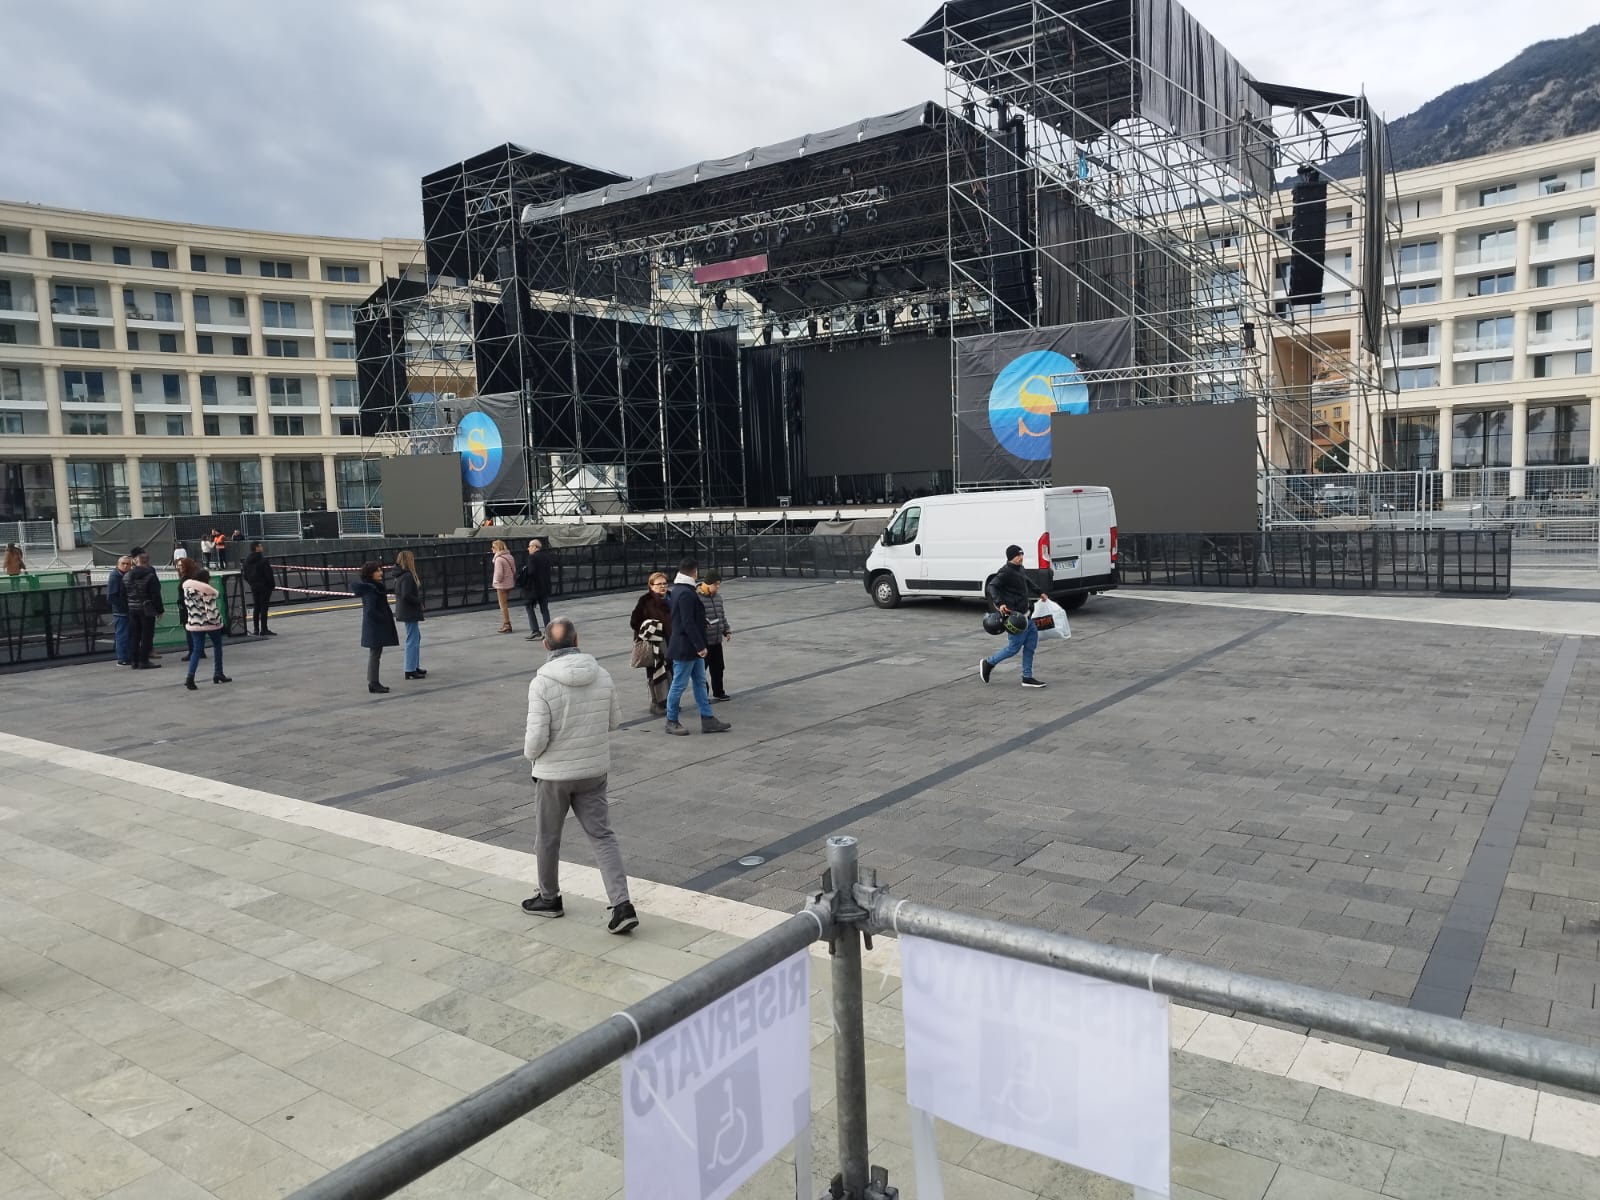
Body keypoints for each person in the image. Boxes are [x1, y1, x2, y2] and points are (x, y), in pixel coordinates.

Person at [519, 617, 638, 934]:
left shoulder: (542, 682)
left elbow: (535, 739)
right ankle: (622, 903)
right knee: (602, 837)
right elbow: (614, 722)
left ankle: (549, 898)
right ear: (577, 639)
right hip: (593, 771)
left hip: (553, 775)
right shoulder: (602, 675)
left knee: (547, 838)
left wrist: (532, 758)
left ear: (546, 645)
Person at [663, 558, 731, 736]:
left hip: (691, 647)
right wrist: (700, 645)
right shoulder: (685, 592)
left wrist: (703, 621)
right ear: (694, 572)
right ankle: (671, 720)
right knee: (679, 684)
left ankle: (707, 719)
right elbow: (686, 622)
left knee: (700, 682)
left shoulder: (682, 589)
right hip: (686, 647)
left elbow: (690, 617)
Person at [979, 543, 1051, 689]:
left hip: (1026, 615)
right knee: (1013, 648)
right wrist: (1000, 603)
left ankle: (1027, 677)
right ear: (1012, 557)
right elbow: (992, 586)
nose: (1021, 557)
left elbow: (1027, 582)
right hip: (1014, 618)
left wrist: (1039, 592)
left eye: (1022, 554)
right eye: (1018, 555)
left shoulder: (1020, 569)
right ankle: (988, 663)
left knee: (1030, 646)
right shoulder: (1005, 572)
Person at [178, 558, 230, 690]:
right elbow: (211, 611)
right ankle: (218, 673)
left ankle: (190, 676)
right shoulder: (207, 592)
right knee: (217, 646)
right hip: (209, 624)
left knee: (196, 650)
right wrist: (219, 622)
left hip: (194, 623)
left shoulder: (187, 589)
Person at [628, 571, 672, 716]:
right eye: (659, 584)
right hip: (653, 645)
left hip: (670, 641)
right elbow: (635, 622)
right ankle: (656, 703)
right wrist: (650, 628)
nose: (663, 586)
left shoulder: (671, 597)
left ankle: (667, 701)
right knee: (654, 673)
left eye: (664, 583)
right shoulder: (645, 601)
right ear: (651, 586)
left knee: (670, 672)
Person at [351, 561, 399, 693]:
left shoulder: (372, 587)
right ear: (371, 573)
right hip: (375, 626)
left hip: (373, 625)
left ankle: (373, 681)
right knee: (375, 654)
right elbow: (371, 610)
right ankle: (373, 682)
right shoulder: (372, 589)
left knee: (375, 653)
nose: (380, 573)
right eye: (377, 571)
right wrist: (383, 619)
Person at [123, 547, 164, 669]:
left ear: (135, 561)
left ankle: (134, 661)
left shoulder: (126, 576)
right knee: (146, 635)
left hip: (132, 608)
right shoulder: (150, 575)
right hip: (147, 608)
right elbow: (156, 594)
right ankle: (143, 660)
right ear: (147, 561)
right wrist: (159, 609)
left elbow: (122, 594)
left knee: (134, 635)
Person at [392, 549, 426, 681]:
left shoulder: (400, 575)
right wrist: (419, 602)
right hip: (409, 611)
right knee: (412, 638)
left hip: (405, 610)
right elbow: (407, 595)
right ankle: (410, 669)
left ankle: (414, 666)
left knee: (415, 637)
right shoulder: (407, 576)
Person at [699, 571, 733, 701]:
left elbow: (721, 615)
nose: (717, 587)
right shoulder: (696, 598)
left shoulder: (718, 597)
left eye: (718, 584)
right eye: (715, 584)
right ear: (707, 584)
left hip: (716, 640)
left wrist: (726, 630)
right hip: (704, 641)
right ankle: (703, 694)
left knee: (718, 667)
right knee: (701, 670)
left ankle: (719, 691)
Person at [517, 538, 554, 641]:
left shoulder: (532, 558)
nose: (528, 548)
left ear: (534, 547)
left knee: (529, 607)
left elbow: (531, 572)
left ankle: (535, 630)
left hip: (533, 588)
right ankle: (548, 632)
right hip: (545, 587)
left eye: (529, 546)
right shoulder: (546, 557)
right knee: (544, 609)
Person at [240, 542, 277, 636]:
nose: (262, 547)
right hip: (264, 586)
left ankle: (256, 629)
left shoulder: (247, 561)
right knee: (264, 607)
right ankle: (264, 628)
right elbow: (268, 574)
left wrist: (252, 582)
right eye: (260, 546)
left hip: (254, 586)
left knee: (256, 607)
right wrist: (272, 585)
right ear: (257, 548)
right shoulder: (263, 560)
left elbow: (245, 575)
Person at [106, 555, 132, 665]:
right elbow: (112, 596)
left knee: (126, 634)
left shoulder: (124, 575)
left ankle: (127, 656)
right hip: (121, 611)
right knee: (122, 635)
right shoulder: (115, 576)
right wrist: (124, 607)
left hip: (125, 610)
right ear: (118, 564)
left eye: (128, 564)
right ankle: (122, 658)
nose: (126, 566)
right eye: (123, 563)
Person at [490, 539, 515, 633]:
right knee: (505, 604)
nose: (491, 549)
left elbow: (499, 574)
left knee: (503, 605)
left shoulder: (499, 559)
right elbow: (514, 570)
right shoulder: (510, 556)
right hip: (509, 583)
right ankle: (506, 623)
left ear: (497, 548)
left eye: (493, 547)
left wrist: (496, 581)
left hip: (501, 585)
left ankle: (506, 624)